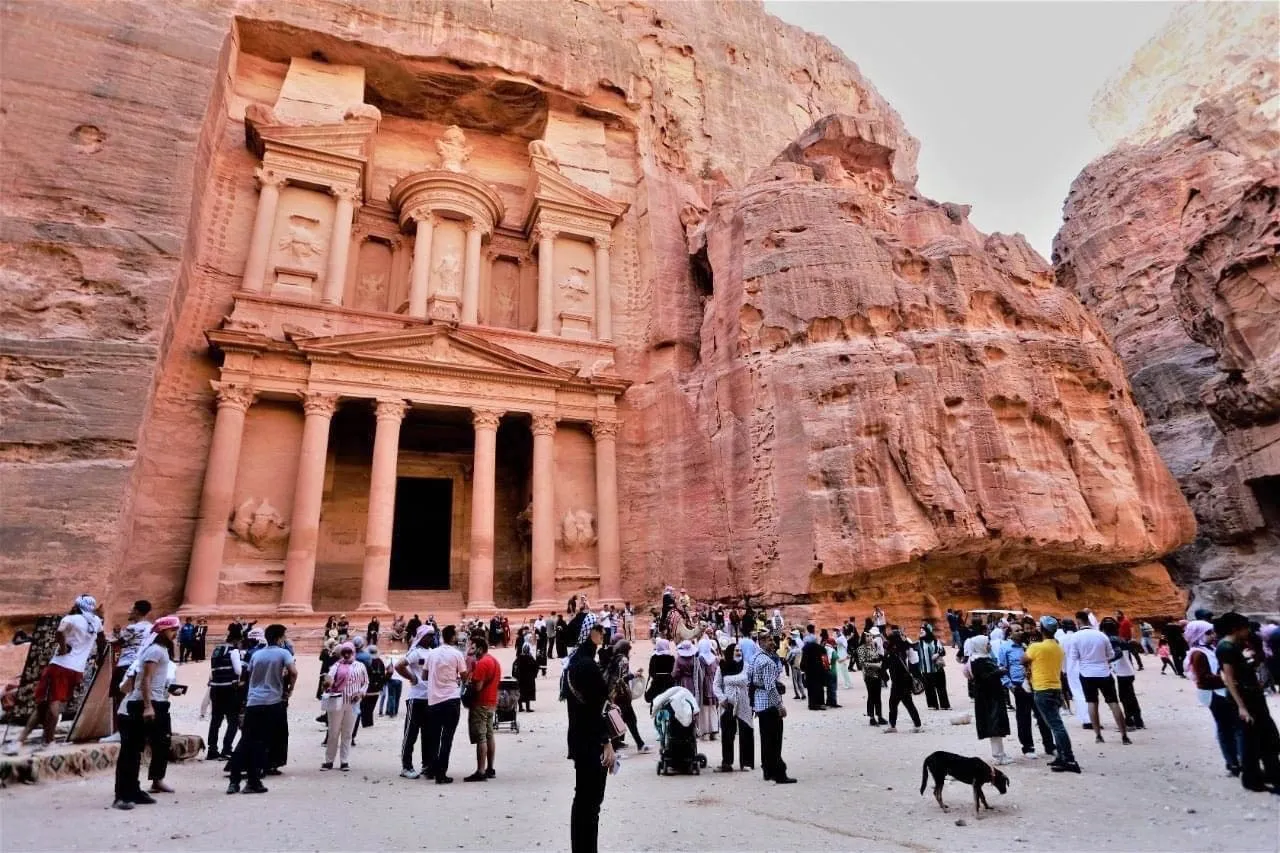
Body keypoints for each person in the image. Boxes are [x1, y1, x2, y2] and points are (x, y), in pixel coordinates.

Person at [6, 594, 102, 755]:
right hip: (77, 669)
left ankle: (47, 741)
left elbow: (60, 631)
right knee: (44, 706)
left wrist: (63, 648)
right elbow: (101, 640)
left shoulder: (71, 619)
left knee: (51, 705)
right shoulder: (96, 622)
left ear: (77, 606)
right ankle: (22, 740)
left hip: (60, 666)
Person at [112, 615, 180, 809]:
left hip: (153, 702)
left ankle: (134, 790)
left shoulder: (161, 651)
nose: (175, 634)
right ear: (162, 631)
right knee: (130, 751)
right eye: (172, 630)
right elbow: (145, 680)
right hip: (141, 704)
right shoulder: (155, 650)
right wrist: (148, 706)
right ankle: (122, 795)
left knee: (139, 749)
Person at [565, 621, 617, 853]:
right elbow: (596, 707)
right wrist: (606, 743)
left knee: (582, 799)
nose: (603, 634)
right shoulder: (587, 666)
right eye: (600, 630)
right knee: (592, 802)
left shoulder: (575, 662)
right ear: (591, 633)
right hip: (591, 740)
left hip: (579, 737)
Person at [1215, 612, 1280, 792]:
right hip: (1246, 699)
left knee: (1268, 736)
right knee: (1252, 740)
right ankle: (1253, 780)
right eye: (1245, 628)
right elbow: (1229, 679)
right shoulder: (1226, 648)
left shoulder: (1235, 645)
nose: (1248, 631)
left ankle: (1272, 774)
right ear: (1236, 628)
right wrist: (1241, 707)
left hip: (1253, 695)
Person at [227, 624, 295, 794]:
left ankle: (236, 781)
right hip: (272, 702)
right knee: (262, 743)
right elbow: (293, 672)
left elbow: (247, 675)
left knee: (246, 741)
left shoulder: (256, 654)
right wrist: (289, 690)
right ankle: (253, 781)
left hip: (253, 702)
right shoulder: (283, 653)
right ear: (279, 638)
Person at [1023, 616, 1079, 773]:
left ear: (1042, 629)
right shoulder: (1057, 646)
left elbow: (1023, 659)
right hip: (1055, 687)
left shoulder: (1036, 647)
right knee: (1056, 723)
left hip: (1042, 688)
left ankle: (1069, 758)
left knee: (1056, 725)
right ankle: (1061, 756)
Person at [1184, 619, 1239, 776]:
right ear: (1199, 634)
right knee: (1225, 728)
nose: (1213, 635)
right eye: (1208, 632)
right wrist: (1227, 679)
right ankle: (1232, 763)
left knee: (1230, 727)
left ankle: (1236, 759)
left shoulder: (1208, 649)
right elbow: (1204, 678)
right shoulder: (1199, 654)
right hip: (1214, 694)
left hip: (1221, 691)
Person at [1068, 612, 1130, 744]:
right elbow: (1111, 654)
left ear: (1078, 622)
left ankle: (1098, 735)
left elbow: (1073, 657)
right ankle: (1124, 735)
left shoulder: (1076, 637)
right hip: (1104, 672)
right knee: (1113, 703)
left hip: (1087, 673)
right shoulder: (1101, 635)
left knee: (1092, 703)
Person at [748, 630, 795, 783]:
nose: (773, 643)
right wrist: (780, 705)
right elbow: (770, 687)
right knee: (775, 741)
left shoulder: (754, 658)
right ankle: (779, 773)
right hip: (769, 705)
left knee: (766, 740)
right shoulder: (767, 662)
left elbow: (750, 681)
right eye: (769, 640)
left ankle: (767, 771)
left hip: (760, 704)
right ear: (761, 642)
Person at [1000, 630, 1053, 757]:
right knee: (1024, 717)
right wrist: (1010, 685)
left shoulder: (1031, 646)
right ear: (1010, 634)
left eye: (1020, 629)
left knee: (1042, 715)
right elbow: (1002, 667)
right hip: (1019, 686)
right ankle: (1028, 747)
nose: (1020, 632)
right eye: (1016, 630)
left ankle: (1050, 746)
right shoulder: (1005, 648)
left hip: (1037, 684)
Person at [424, 624, 466, 784]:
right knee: (447, 738)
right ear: (453, 637)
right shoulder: (457, 654)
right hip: (451, 699)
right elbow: (463, 676)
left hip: (434, 700)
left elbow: (425, 675)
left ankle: (433, 769)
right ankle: (442, 773)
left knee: (434, 737)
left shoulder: (432, 654)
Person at [964, 635, 1012, 764]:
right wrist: (1000, 672)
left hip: (990, 696)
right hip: (989, 698)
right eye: (987, 643)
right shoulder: (979, 662)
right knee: (994, 724)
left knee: (995, 725)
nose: (990, 645)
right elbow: (985, 677)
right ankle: (998, 755)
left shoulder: (983, 659)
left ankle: (1000, 754)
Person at [320, 642, 367, 771]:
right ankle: (329, 761)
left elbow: (365, 683)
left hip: (353, 703)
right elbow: (328, 681)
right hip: (337, 702)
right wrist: (327, 684)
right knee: (333, 732)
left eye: (349, 652)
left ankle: (344, 761)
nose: (346, 654)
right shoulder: (335, 666)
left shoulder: (360, 666)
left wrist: (360, 693)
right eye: (344, 652)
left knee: (347, 733)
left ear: (353, 652)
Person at [396, 625, 434, 778]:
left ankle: (427, 765)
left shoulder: (433, 653)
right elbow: (399, 665)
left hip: (430, 698)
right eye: (429, 635)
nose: (432, 638)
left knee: (428, 734)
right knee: (411, 733)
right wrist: (412, 677)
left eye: (433, 635)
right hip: (416, 697)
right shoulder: (415, 652)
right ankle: (406, 766)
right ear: (421, 637)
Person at [109, 600, 153, 720]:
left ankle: (121, 728)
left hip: (126, 663)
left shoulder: (132, 628)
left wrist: (116, 633)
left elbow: (117, 642)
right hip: (141, 664)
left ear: (137, 611)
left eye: (131, 609)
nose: (129, 612)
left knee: (120, 695)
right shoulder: (151, 627)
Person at [713, 642, 753, 772]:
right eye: (736, 650)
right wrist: (722, 698)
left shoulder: (746, 666)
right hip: (728, 704)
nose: (739, 652)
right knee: (727, 734)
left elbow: (750, 682)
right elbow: (716, 685)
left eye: (740, 650)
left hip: (744, 703)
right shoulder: (722, 667)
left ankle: (746, 762)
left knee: (746, 731)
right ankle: (727, 763)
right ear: (730, 652)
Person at [206, 624, 244, 760]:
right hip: (229, 689)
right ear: (237, 640)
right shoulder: (233, 651)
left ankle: (212, 750)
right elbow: (238, 670)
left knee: (215, 720)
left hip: (216, 688)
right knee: (232, 721)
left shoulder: (216, 649)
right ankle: (226, 750)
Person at [605, 639, 648, 753]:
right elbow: (622, 678)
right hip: (621, 695)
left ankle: (640, 744)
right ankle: (617, 748)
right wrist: (635, 675)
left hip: (614, 694)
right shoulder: (623, 660)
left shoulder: (615, 657)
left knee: (626, 719)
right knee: (625, 720)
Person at [1100, 619, 1144, 729]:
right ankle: (1138, 720)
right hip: (1128, 670)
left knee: (1125, 697)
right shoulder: (1121, 639)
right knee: (1131, 696)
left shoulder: (1111, 640)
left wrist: (1108, 660)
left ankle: (1130, 721)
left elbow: (1118, 653)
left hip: (1122, 672)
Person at [882, 631, 921, 733]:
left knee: (894, 704)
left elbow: (884, 666)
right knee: (907, 703)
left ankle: (893, 726)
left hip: (898, 682)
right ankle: (917, 725)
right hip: (905, 680)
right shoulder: (903, 648)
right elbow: (914, 660)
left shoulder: (891, 652)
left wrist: (884, 677)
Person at [856, 630, 886, 725]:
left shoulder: (873, 647)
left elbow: (878, 656)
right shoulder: (861, 648)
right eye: (867, 636)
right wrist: (875, 665)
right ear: (864, 638)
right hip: (868, 675)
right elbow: (862, 663)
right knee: (871, 695)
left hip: (877, 674)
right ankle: (872, 717)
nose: (870, 638)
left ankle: (880, 716)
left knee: (878, 695)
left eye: (871, 636)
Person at [916, 624, 950, 711]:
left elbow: (943, 651)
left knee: (941, 687)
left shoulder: (936, 641)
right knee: (929, 688)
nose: (921, 632)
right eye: (920, 631)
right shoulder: (919, 643)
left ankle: (944, 705)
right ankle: (932, 705)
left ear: (928, 632)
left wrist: (937, 654)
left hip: (937, 668)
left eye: (923, 631)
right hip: (925, 669)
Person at [800, 626, 828, 711]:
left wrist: (803, 668)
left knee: (811, 688)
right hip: (819, 670)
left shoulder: (806, 648)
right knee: (820, 687)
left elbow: (804, 660)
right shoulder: (820, 648)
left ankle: (812, 704)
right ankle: (821, 703)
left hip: (810, 671)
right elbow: (825, 655)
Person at [644, 638, 676, 704]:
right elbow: (674, 671)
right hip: (669, 682)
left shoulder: (654, 657)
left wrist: (657, 677)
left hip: (657, 682)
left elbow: (651, 671)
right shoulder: (671, 658)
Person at [514, 637, 539, 713]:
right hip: (529, 679)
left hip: (520, 679)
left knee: (520, 692)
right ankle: (528, 708)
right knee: (528, 693)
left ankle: (521, 707)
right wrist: (534, 675)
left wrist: (515, 676)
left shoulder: (518, 658)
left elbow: (514, 668)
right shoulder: (530, 658)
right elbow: (536, 667)